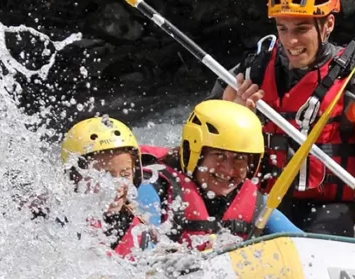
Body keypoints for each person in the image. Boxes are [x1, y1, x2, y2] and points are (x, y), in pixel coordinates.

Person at [209, 0, 355, 237]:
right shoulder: (252, 72)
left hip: (337, 206)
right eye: (282, 28)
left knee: (318, 237)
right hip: (267, 199)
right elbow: (199, 148)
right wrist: (229, 116)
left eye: (302, 28)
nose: (290, 40)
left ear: (328, 24)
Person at [136, 100, 301, 252]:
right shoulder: (152, 187)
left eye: (240, 158)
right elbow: (143, 255)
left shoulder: (257, 204)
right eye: (219, 155)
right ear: (194, 154)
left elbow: (304, 243)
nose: (229, 170)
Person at [60, 116, 152, 258]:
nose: (117, 186)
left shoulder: (140, 230)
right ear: (75, 179)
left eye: (125, 174)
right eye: (104, 176)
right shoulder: (59, 226)